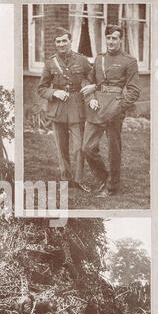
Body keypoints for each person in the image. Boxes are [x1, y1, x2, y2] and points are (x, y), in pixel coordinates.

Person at [80, 25, 140, 197]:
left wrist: (119, 108)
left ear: (121, 40)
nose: (111, 41)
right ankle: (104, 177)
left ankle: (112, 187)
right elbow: (88, 80)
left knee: (114, 150)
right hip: (97, 107)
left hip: (115, 111)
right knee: (87, 148)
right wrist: (90, 98)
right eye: (108, 38)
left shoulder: (129, 61)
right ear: (105, 39)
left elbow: (134, 90)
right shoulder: (100, 59)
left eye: (115, 38)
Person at [38, 27, 92, 192]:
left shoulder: (82, 60)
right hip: (58, 109)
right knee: (62, 148)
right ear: (55, 43)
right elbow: (41, 88)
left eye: (64, 40)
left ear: (70, 41)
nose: (61, 44)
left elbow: (90, 78)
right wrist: (55, 92)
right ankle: (65, 178)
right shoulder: (50, 62)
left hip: (77, 106)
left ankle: (79, 179)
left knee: (79, 147)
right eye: (58, 41)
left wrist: (85, 86)